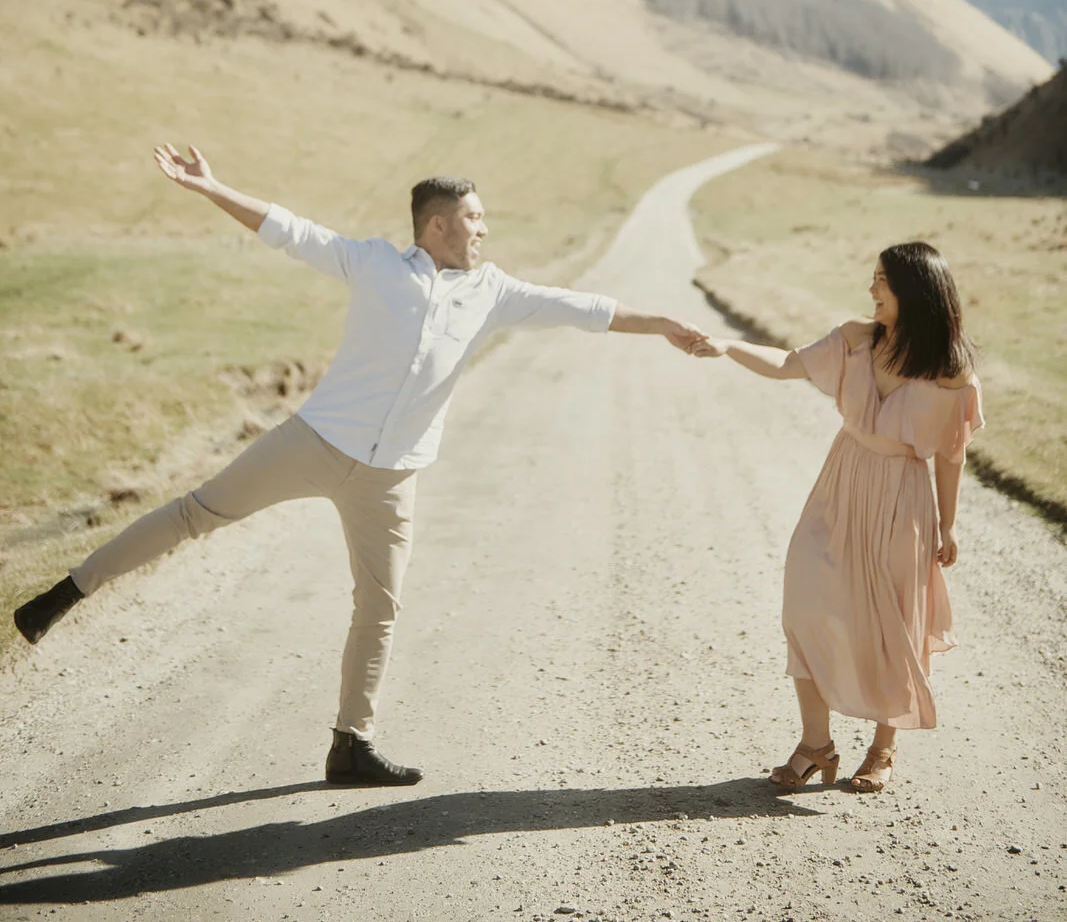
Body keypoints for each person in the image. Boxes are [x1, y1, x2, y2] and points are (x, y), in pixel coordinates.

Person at [15, 145, 708, 788]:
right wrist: (210, 186)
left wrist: (665, 325)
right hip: (313, 442)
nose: (483, 230)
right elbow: (287, 229)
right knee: (195, 514)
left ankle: (351, 745)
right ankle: (67, 593)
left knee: (379, 606)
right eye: (474, 218)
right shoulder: (373, 262)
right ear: (435, 226)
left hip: (392, 477)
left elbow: (584, 309)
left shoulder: (491, 290)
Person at [694, 242, 983, 793]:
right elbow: (786, 364)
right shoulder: (856, 338)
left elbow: (951, 453)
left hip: (903, 496)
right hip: (842, 479)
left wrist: (948, 524)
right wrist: (727, 345)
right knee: (806, 599)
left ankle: (882, 748)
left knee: (893, 621)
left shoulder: (951, 371)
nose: (871, 290)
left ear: (913, 291)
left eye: (881, 281)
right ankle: (816, 743)